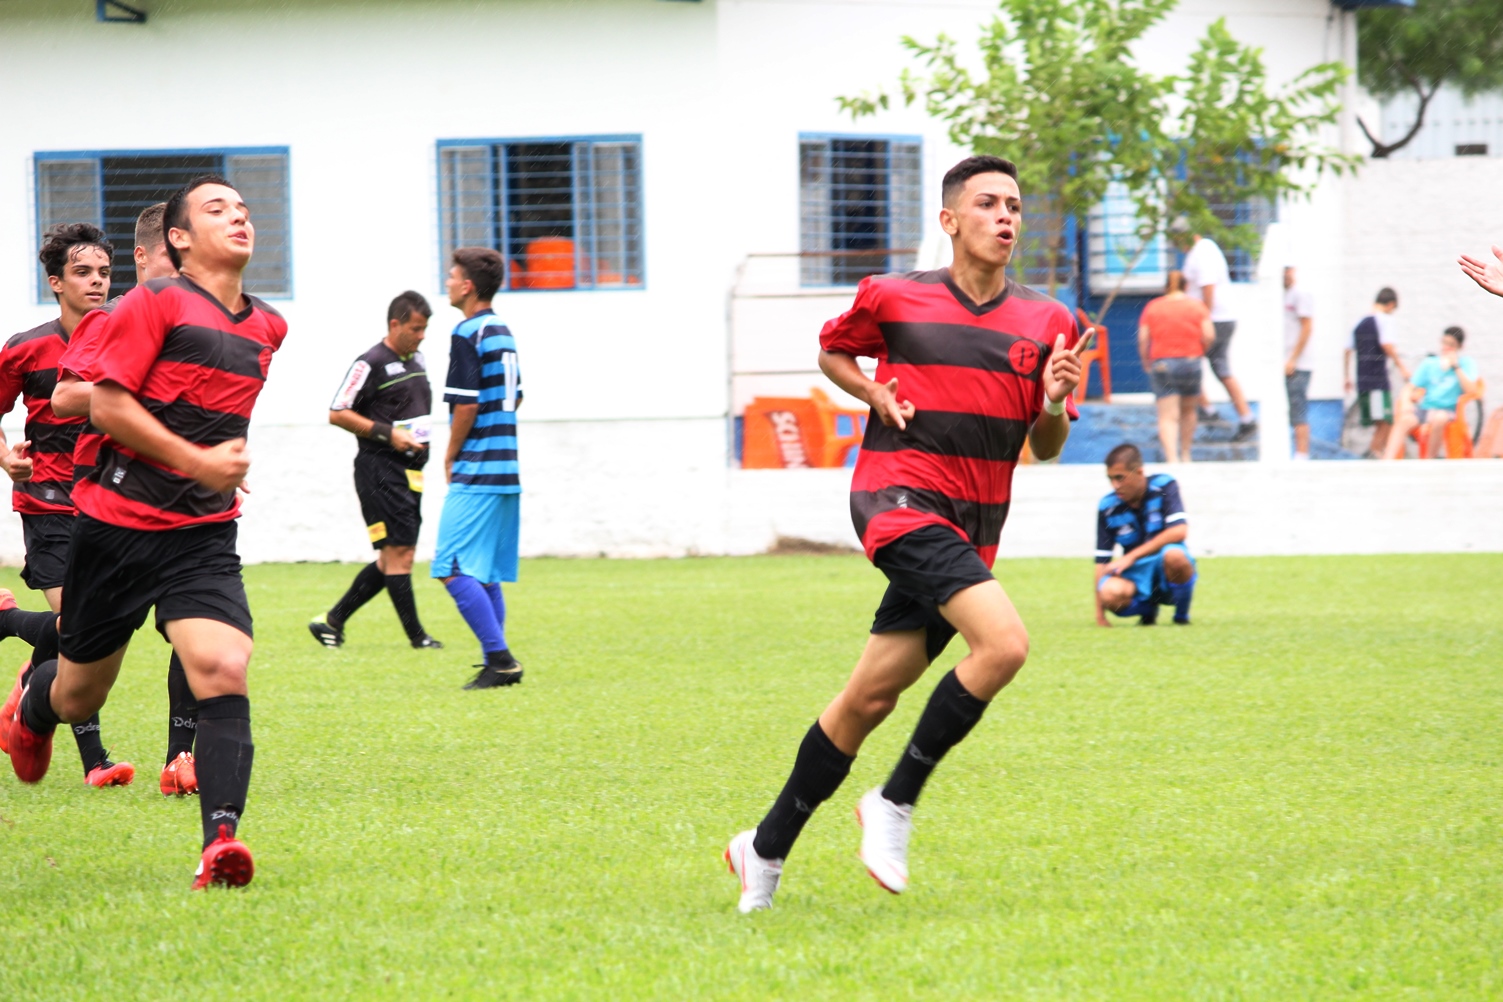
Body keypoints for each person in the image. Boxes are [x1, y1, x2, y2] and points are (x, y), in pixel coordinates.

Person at [724, 155, 1084, 913]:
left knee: (867, 700)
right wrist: (870, 389)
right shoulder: (893, 297)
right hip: (895, 498)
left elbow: (1045, 446)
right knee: (1005, 645)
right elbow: (832, 348)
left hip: (972, 528)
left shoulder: (1050, 323)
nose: (1005, 218)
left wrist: (1051, 403)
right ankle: (893, 801)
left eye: (1014, 206)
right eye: (987, 204)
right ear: (950, 221)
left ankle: (763, 847)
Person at [6, 175, 288, 890]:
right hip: (115, 525)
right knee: (79, 696)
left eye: (244, 207)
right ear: (180, 240)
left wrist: (221, 464)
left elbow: (212, 406)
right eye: (217, 208)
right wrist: (197, 460)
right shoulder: (153, 303)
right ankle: (30, 709)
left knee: (223, 666)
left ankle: (220, 843)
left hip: (201, 534)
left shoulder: (267, 325)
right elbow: (101, 402)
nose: (239, 216)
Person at [47, 202, 201, 797]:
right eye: (172, 257)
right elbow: (63, 400)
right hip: (109, 509)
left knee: (197, 630)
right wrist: (131, 390)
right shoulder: (110, 319)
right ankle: (35, 709)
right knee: (82, 659)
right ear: (142, 255)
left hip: (183, 505)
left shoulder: (195, 323)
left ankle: (180, 758)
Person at [0, 223, 133, 788]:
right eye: (82, 272)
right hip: (46, 502)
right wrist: (9, 459)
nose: (97, 282)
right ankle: (95, 763)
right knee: (77, 625)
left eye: (104, 272)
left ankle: (9, 625)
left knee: (92, 629)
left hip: (102, 507)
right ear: (56, 282)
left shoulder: (127, 338)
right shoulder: (26, 347)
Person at [310, 291, 442, 651]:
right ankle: (418, 639)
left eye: (425, 328)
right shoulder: (370, 363)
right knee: (400, 554)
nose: (421, 335)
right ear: (395, 324)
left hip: (410, 471)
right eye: (416, 328)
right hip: (379, 469)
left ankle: (331, 621)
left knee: (393, 557)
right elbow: (337, 412)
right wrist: (389, 435)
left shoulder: (419, 359)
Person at [433, 248, 525, 690]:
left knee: (450, 565)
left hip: (479, 466)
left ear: (468, 285)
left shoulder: (467, 331)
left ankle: (501, 659)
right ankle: (498, 661)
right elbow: (517, 395)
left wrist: (451, 452)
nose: (447, 282)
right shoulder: (502, 330)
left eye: (452, 276)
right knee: (483, 569)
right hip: (507, 466)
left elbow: (467, 403)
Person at [1094, 443, 1196, 627]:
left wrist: (1130, 557)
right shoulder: (1107, 507)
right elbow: (1101, 561)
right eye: (1110, 479)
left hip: (1166, 568)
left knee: (1174, 555)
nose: (1115, 485)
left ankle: (1181, 617)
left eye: (1120, 478)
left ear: (1139, 473)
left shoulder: (1164, 485)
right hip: (1136, 576)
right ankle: (1148, 610)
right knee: (1109, 592)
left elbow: (1179, 530)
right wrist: (1100, 615)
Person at [1174, 228, 1256, 442]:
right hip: (1217, 318)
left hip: (1214, 320)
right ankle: (1243, 417)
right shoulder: (1200, 251)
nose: (1177, 246)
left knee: (1187, 362)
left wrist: (1203, 320)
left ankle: (1209, 410)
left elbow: (1208, 288)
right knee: (1218, 367)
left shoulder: (1202, 251)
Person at [1137, 269, 1213, 463]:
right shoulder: (1197, 307)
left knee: (1167, 416)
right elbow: (1209, 335)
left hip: (1163, 363)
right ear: (1186, 286)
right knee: (1189, 411)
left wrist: (1146, 360)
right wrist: (1200, 351)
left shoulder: (1153, 307)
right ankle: (1186, 454)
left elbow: (1143, 338)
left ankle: (1172, 458)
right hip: (1191, 362)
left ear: (1165, 287)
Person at [1384, 326, 1480, 460]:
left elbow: (1472, 390)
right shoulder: (1430, 363)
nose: (1446, 347)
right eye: (1444, 343)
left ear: (1460, 347)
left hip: (1448, 411)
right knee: (1404, 420)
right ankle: (1387, 461)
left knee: (1439, 418)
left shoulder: (1466, 363)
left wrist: (1456, 367)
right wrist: (1406, 402)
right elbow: (1409, 387)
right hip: (1426, 409)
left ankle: (1429, 459)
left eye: (1451, 345)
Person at [1343, 287, 1407, 459]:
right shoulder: (1385, 320)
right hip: (1377, 378)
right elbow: (1387, 345)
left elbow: (1347, 350)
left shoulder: (1359, 322)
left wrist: (1346, 377)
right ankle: (1376, 453)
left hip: (1362, 378)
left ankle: (1377, 451)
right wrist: (1402, 367)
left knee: (1377, 419)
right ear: (1391, 304)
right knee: (1385, 420)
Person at [1282, 266, 1315, 461]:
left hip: (1297, 364)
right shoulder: (1281, 296)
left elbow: (1307, 326)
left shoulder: (1301, 294)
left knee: (1298, 407)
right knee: (1290, 408)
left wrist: (1293, 358)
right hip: (1285, 362)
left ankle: (1302, 454)